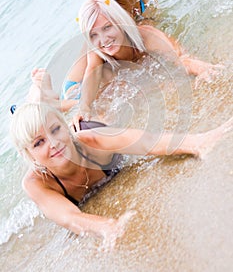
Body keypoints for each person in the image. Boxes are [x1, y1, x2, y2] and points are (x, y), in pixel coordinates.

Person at [10, 102, 233, 247]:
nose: (54, 142)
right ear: (28, 155)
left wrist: (198, 143)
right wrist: (106, 226)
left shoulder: (89, 140)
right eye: (39, 142)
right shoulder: (36, 184)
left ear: (64, 126)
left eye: (56, 129)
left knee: (98, 123)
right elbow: (70, 217)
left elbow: (146, 141)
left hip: (99, 140)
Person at [68, 0, 223, 124]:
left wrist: (201, 68)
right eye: (93, 35)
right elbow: (92, 76)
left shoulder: (146, 36)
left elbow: (181, 58)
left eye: (107, 27)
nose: (103, 40)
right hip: (75, 87)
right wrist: (84, 109)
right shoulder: (96, 54)